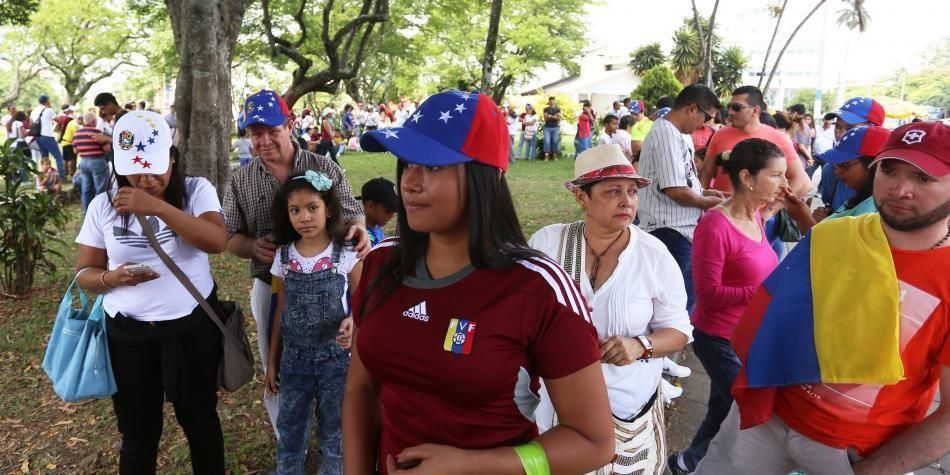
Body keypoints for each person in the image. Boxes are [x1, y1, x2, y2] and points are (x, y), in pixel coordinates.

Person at [346, 89, 615, 474]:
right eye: (407, 163)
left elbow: (594, 443)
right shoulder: (381, 264)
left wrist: (471, 464)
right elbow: (361, 390)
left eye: (433, 166)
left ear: (484, 177)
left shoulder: (539, 290)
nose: (409, 182)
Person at [696, 121, 950, 475]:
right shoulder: (831, 235)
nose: (900, 189)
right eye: (889, 170)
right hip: (767, 415)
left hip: (853, 450)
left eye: (923, 177)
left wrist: (874, 470)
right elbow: (775, 322)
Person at [74, 111, 228, 473]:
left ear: (172, 158)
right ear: (118, 166)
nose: (146, 179)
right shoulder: (102, 205)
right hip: (128, 334)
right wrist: (111, 278)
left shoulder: (196, 191)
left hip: (191, 326)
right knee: (138, 433)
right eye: (135, 170)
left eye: (156, 168)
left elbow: (217, 241)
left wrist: (156, 207)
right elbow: (84, 273)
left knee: (201, 423)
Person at [530, 144, 692, 475]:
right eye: (613, 191)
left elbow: (679, 330)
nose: (627, 201)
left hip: (625, 406)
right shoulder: (548, 244)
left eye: (632, 192)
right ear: (582, 197)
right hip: (557, 402)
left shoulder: (652, 255)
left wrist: (640, 345)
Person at [223, 89, 368, 435]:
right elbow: (228, 236)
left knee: (336, 357)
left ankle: (335, 431)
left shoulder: (323, 166)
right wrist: (252, 246)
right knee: (276, 359)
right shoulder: (241, 179)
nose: (264, 141)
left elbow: (352, 212)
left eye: (272, 131)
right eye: (256, 133)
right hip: (273, 286)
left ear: (289, 126)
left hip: (330, 282)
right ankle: (287, 438)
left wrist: (360, 228)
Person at [667, 138, 788, 474]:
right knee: (748, 407)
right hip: (718, 338)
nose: (784, 182)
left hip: (746, 335)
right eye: (776, 175)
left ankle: (687, 462)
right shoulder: (715, 225)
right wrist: (760, 292)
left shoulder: (756, 215)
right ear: (747, 177)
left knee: (723, 409)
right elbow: (709, 293)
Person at [265, 170, 362, 474]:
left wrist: (353, 321)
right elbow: (280, 309)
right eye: (295, 210)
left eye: (312, 208)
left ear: (328, 209)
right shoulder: (283, 257)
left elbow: (364, 301)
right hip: (294, 361)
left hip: (337, 360)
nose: (304, 217)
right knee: (291, 427)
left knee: (335, 430)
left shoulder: (346, 253)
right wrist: (273, 360)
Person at [638, 83, 725, 314]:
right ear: (692, 108)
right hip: (668, 230)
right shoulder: (665, 133)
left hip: (680, 230)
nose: (704, 124)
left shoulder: (678, 134)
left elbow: (683, 181)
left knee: (682, 298)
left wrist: (706, 193)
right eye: (706, 117)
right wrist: (710, 203)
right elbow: (675, 190)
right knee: (673, 305)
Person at [700, 86, 812, 196]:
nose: (730, 112)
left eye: (737, 107)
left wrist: (773, 206)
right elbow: (706, 172)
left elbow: (802, 181)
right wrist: (702, 202)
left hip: (760, 208)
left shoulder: (778, 138)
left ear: (755, 110)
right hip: (721, 206)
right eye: (729, 107)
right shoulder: (720, 135)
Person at [783, 125, 890, 233]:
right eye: (836, 165)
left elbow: (835, 244)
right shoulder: (863, 198)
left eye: (845, 165)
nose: (837, 171)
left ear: (874, 165)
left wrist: (804, 218)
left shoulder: (871, 210)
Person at [820, 97, 886, 212]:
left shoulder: (888, 181)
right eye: (837, 127)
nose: (840, 134)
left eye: (850, 129)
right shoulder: (830, 170)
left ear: (874, 129)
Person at [72, 111, 112, 213]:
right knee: (100, 188)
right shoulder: (97, 132)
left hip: (83, 162)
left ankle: (87, 212)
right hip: (97, 161)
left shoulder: (77, 133)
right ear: (94, 121)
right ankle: (100, 212)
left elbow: (75, 150)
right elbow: (107, 149)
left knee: (86, 189)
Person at [31, 95, 66, 181]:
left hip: (38, 136)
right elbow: (58, 120)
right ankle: (61, 177)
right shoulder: (49, 110)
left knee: (44, 158)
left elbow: (31, 123)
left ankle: (44, 177)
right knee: (58, 157)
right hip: (48, 136)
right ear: (47, 101)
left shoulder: (34, 110)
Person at [356, 177, 398, 247]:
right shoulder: (362, 236)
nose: (392, 216)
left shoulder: (376, 225)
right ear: (370, 206)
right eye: (387, 211)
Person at [59, 106, 80, 179]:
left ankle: (66, 172)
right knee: (72, 159)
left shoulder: (71, 122)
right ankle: (71, 172)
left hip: (64, 142)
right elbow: (76, 135)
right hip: (69, 143)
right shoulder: (75, 124)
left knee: (65, 158)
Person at [542, 96, 562, 161]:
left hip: (555, 127)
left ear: (554, 101)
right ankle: (546, 156)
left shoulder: (558, 109)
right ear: (549, 101)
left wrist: (550, 116)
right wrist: (554, 116)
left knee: (555, 141)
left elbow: (558, 118)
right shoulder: (546, 109)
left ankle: (554, 156)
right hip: (547, 128)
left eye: (553, 100)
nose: (551, 102)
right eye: (550, 101)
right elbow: (546, 118)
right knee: (547, 141)